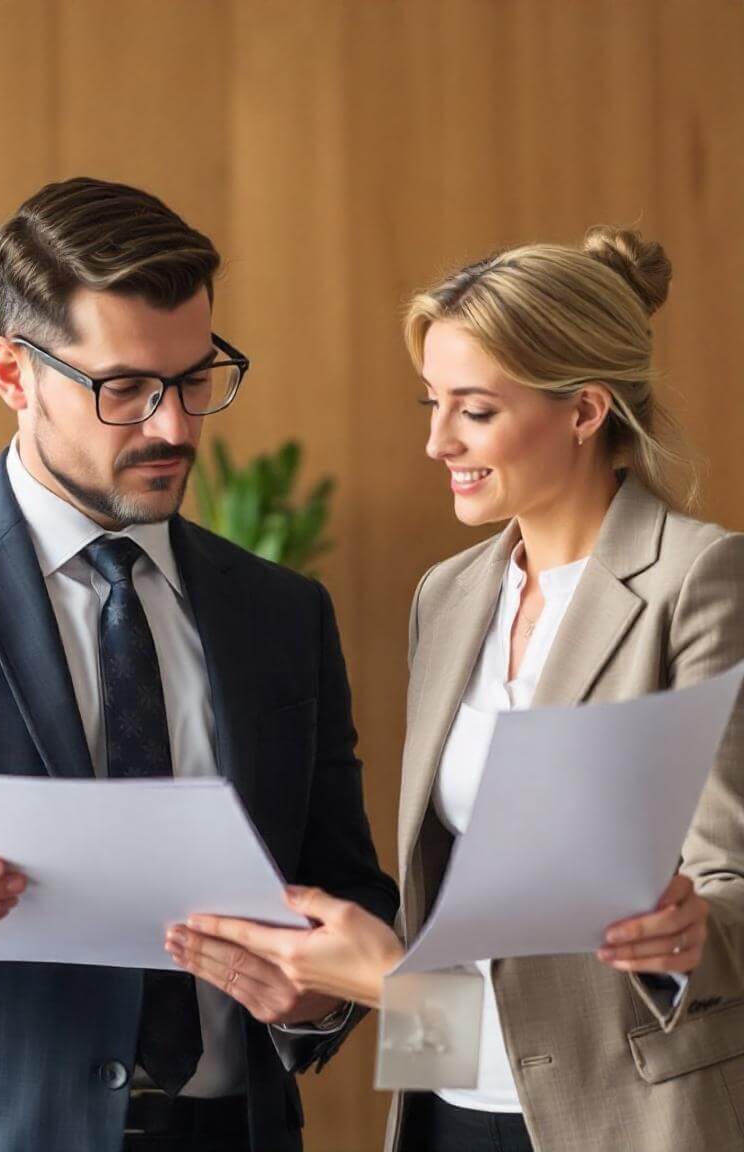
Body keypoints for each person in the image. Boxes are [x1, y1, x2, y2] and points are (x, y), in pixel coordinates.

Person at [0, 176, 398, 1152]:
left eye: (195, 379)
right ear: (13, 374)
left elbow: (344, 892)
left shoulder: (283, 614)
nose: (175, 428)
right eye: (125, 389)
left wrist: (315, 1000)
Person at [170, 228, 744, 1151]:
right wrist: (374, 986)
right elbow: (445, 890)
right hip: (450, 1103)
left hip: (621, 1112)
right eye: (432, 403)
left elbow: (732, 881)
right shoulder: (451, 594)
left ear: (586, 410)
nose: (438, 441)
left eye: (473, 411)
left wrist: (691, 934)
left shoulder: (700, 578)